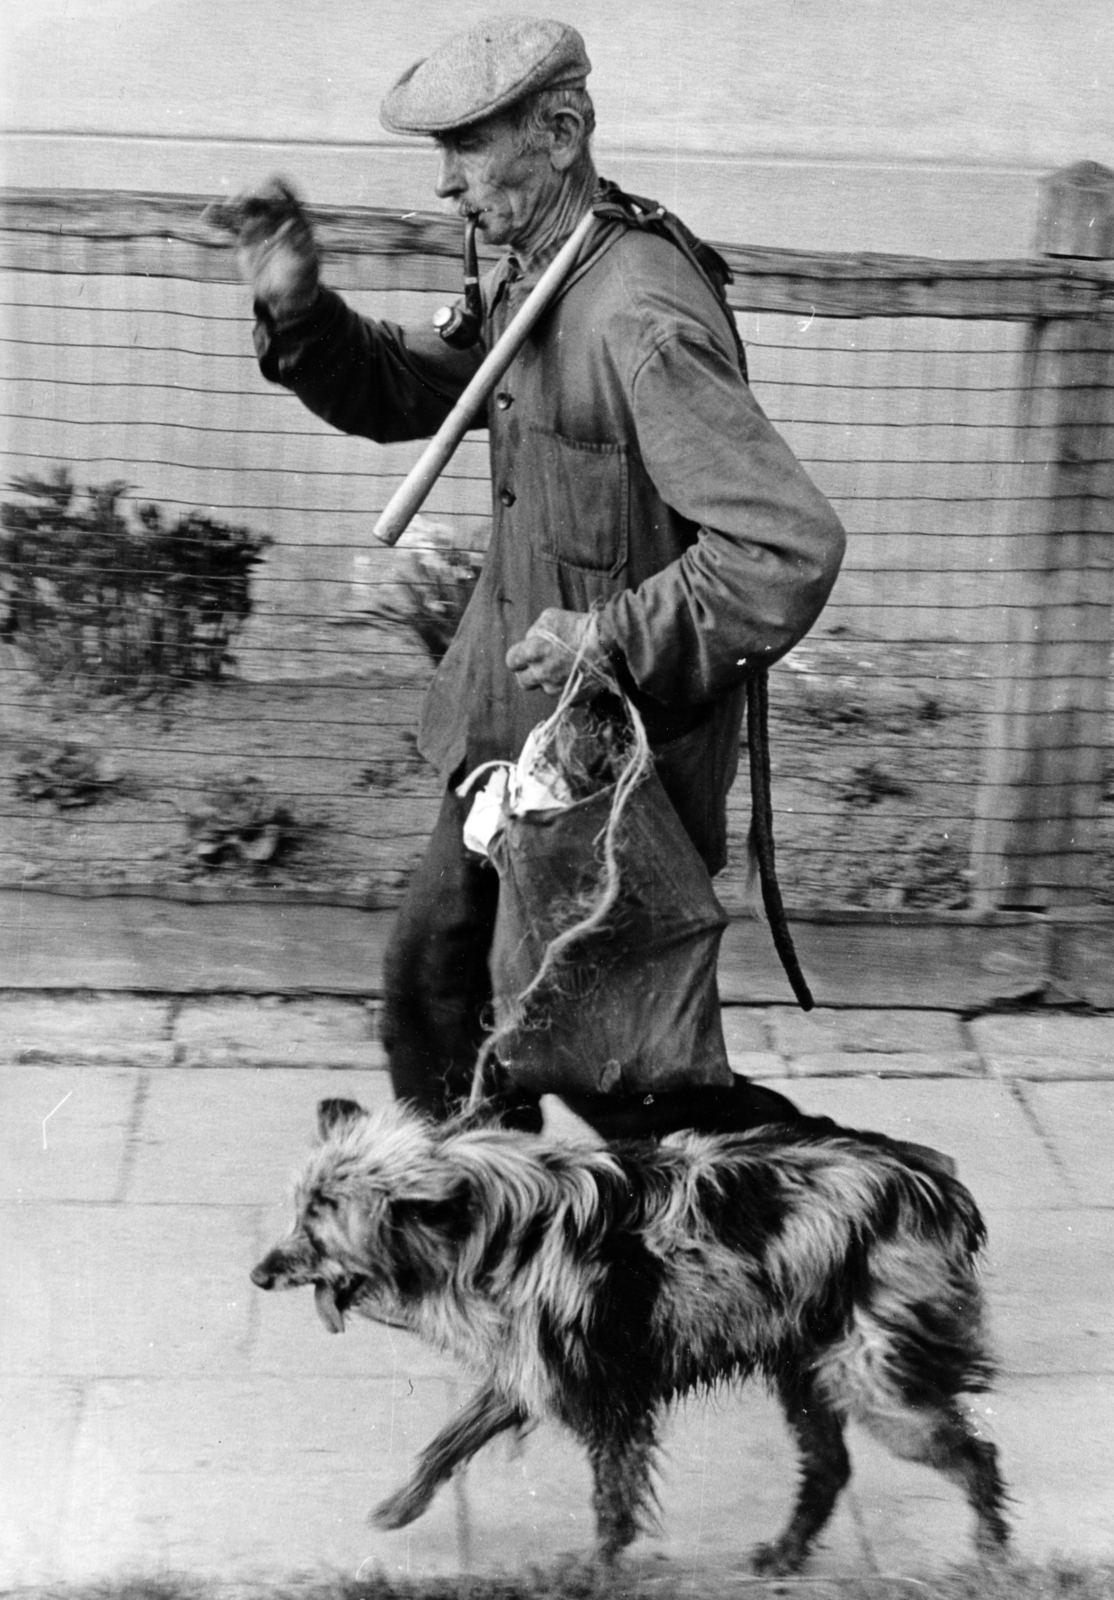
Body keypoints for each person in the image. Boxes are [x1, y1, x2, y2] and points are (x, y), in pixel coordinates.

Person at [228, 16, 846, 1119]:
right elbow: (408, 391)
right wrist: (298, 309)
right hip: (504, 730)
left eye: (467, 147)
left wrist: (606, 638)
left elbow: (783, 548)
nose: (445, 186)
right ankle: (479, 1249)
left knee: (627, 1080)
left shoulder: (638, 314)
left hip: (611, 766)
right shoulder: (539, 272)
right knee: (434, 997)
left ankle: (851, 1221)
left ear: (559, 132)